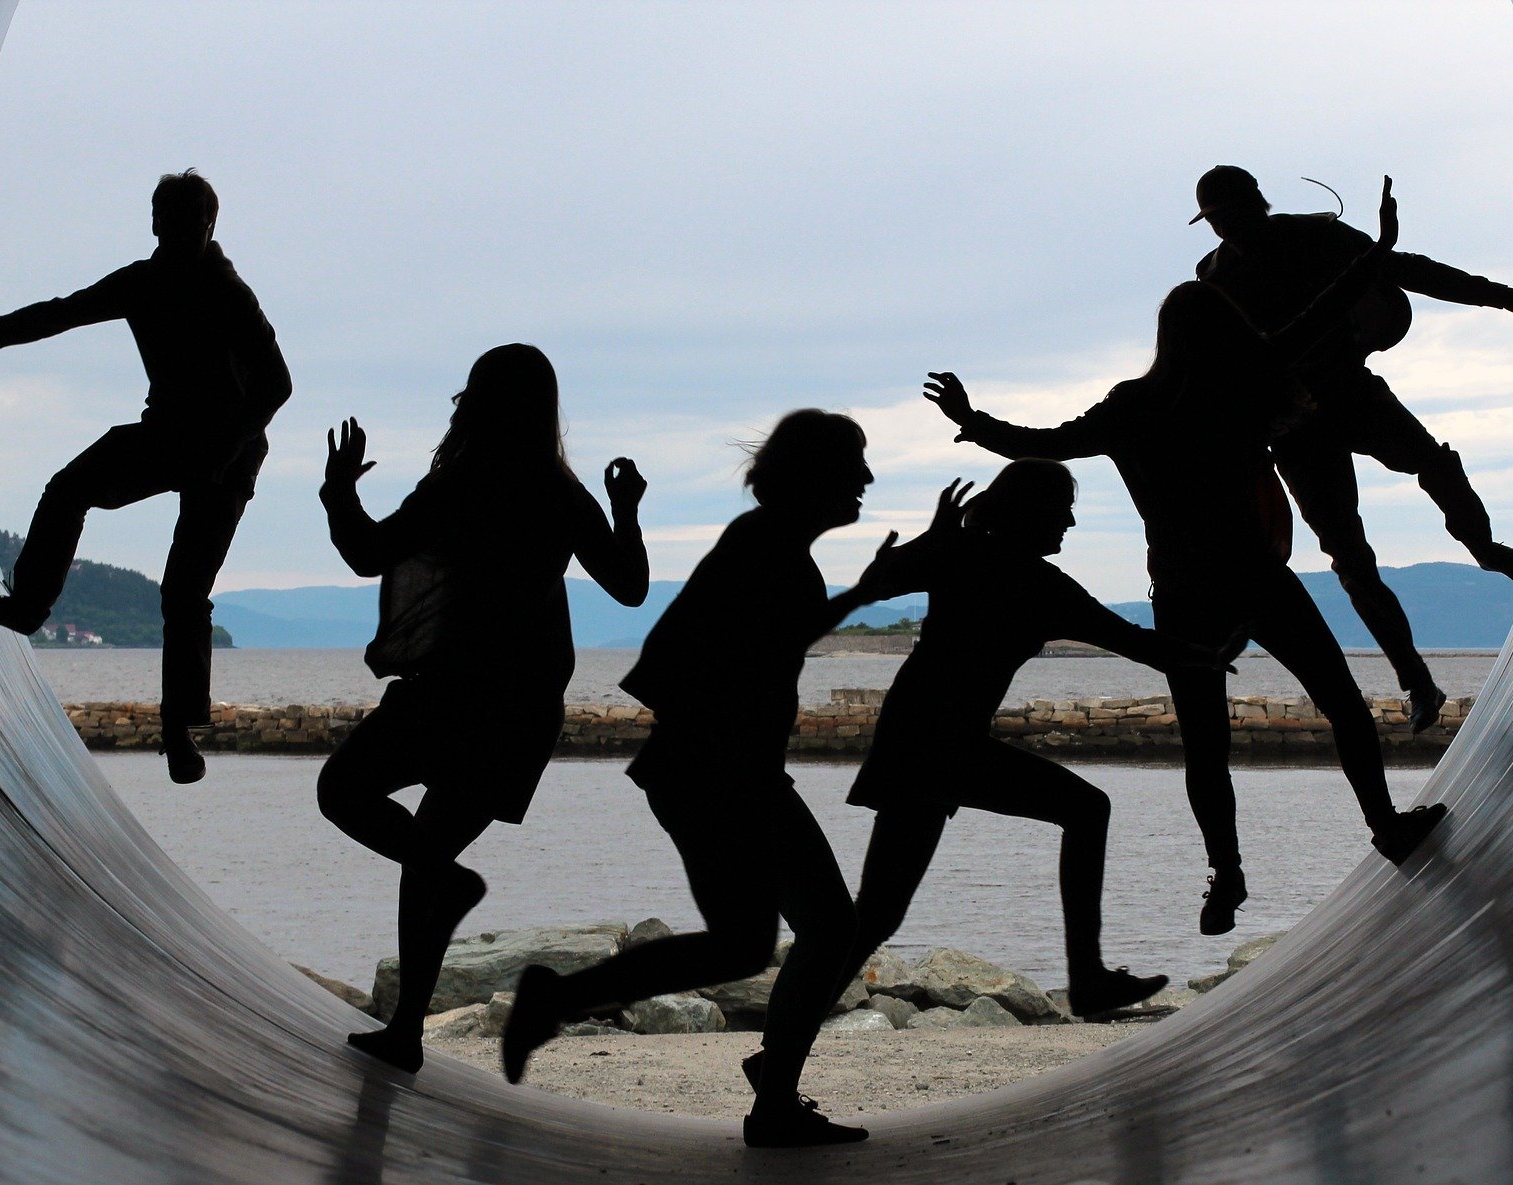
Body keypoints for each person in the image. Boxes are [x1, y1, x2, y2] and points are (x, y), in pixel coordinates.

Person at [927, 178, 1446, 937]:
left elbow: (1043, 443)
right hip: (1256, 576)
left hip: (1182, 591)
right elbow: (1321, 314)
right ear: (1223, 328)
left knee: (1207, 745)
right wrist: (1381, 254)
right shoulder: (1245, 386)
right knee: (1339, 700)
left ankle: (1226, 875)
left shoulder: (1130, 407)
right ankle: (1386, 826)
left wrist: (973, 421)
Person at [503, 410, 894, 1148]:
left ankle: (559, 998)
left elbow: (768, 634)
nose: (867, 480)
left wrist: (866, 590)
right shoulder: (766, 544)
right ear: (815, 473)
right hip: (722, 774)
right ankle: (772, 1098)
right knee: (828, 927)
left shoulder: (769, 543)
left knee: (744, 944)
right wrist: (870, 589)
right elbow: (742, 644)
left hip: (705, 772)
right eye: (856, 465)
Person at [318, 343, 648, 1076]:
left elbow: (369, 552)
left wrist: (338, 489)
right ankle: (406, 1024)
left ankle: (410, 1012)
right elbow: (629, 585)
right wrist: (626, 510)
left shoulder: (460, 483)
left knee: (342, 790)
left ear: (477, 402)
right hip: (522, 709)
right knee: (429, 853)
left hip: (450, 692)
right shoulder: (561, 492)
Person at [0, 169, 291, 784]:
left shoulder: (230, 295)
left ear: (209, 225)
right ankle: (28, 607)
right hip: (167, 434)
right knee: (69, 488)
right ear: (153, 223)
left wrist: (223, 451)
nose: (173, 231)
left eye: (187, 221)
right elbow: (51, 317)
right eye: (164, 220)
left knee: (183, 591)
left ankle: (177, 732)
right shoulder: (141, 283)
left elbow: (277, 385)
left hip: (232, 453)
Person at [837, 463, 1238, 1020]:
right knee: (1083, 810)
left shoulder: (971, 556)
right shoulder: (1030, 581)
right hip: (936, 745)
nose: (1071, 522)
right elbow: (1143, 645)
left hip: (923, 739)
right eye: (1062, 510)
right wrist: (1209, 654)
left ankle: (785, 1034)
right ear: (1032, 512)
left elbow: (874, 584)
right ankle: (1089, 981)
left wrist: (933, 540)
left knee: (879, 913)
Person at [1191, 164, 1513, 732]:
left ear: (1258, 203)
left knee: (1434, 463)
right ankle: (1416, 681)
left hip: (1351, 392)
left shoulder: (1317, 235)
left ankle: (1485, 549)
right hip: (1291, 429)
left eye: (1230, 215)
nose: (1224, 230)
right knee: (1351, 561)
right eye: (1215, 222)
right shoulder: (1211, 276)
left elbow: (1402, 269)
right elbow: (1222, 368)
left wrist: (1493, 295)